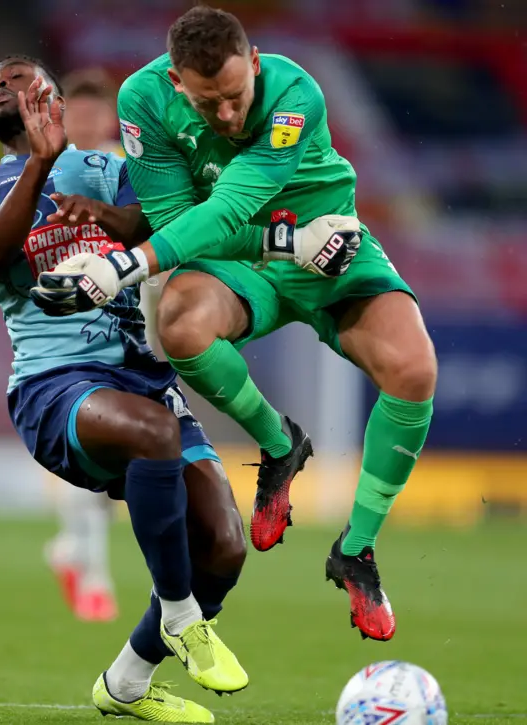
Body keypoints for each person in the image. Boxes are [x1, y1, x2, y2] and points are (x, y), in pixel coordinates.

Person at [31, 6, 438, 643]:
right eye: (207, 104)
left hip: (330, 251)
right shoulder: (143, 100)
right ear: (176, 84)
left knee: (414, 371)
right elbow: (179, 222)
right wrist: (284, 240)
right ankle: (280, 445)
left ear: (254, 64)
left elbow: (230, 204)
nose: (227, 116)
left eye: (235, 97)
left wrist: (122, 267)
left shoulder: (293, 92)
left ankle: (355, 550)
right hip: (252, 258)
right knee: (179, 326)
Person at [0, 54, 248, 722]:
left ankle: (127, 680)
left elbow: (165, 222)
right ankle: (177, 615)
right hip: (55, 390)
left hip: (143, 379)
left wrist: (111, 222)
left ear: (47, 94)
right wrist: (39, 165)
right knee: (152, 431)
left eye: (14, 77)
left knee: (224, 545)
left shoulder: (108, 168)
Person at [44, 67, 124, 623]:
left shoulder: (132, 171)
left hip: (132, 329)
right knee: (91, 455)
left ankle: (71, 550)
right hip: (65, 332)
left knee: (123, 466)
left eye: (99, 112)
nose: (90, 122)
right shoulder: (46, 169)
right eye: (79, 112)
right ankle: (93, 575)